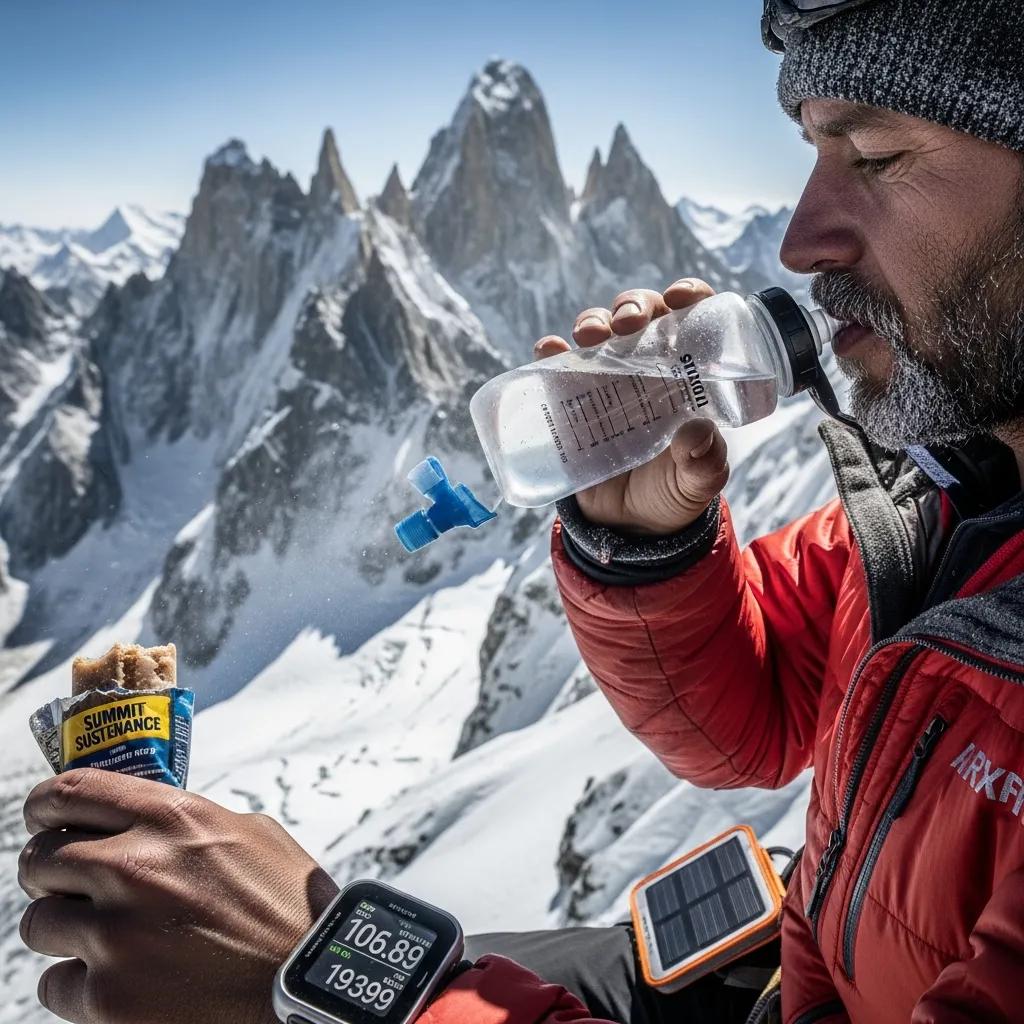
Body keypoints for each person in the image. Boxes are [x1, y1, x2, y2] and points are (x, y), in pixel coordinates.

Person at [18, 1, 1024, 1022]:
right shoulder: (962, 497)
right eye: (810, 152)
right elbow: (757, 716)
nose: (800, 240)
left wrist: (331, 979)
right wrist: (647, 542)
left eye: (878, 155)